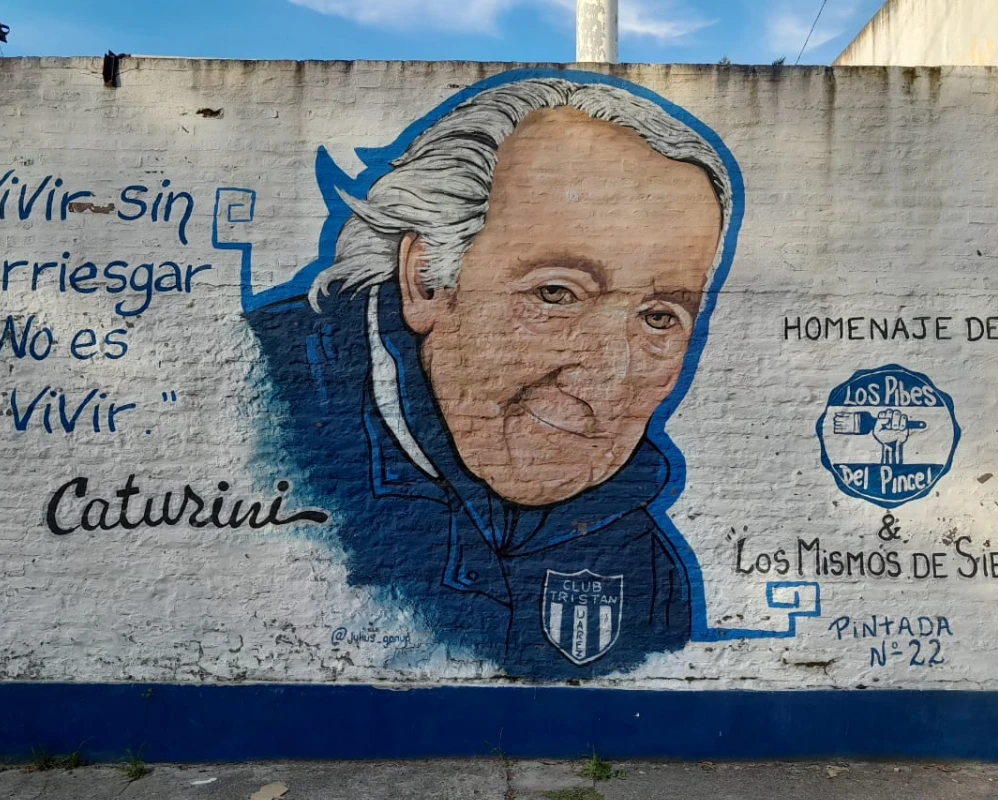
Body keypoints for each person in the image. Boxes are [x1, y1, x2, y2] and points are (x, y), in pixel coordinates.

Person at [248, 76, 735, 680]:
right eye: (555, 294)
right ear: (426, 280)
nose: (609, 376)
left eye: (660, 318)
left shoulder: (640, 561)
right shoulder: (255, 412)